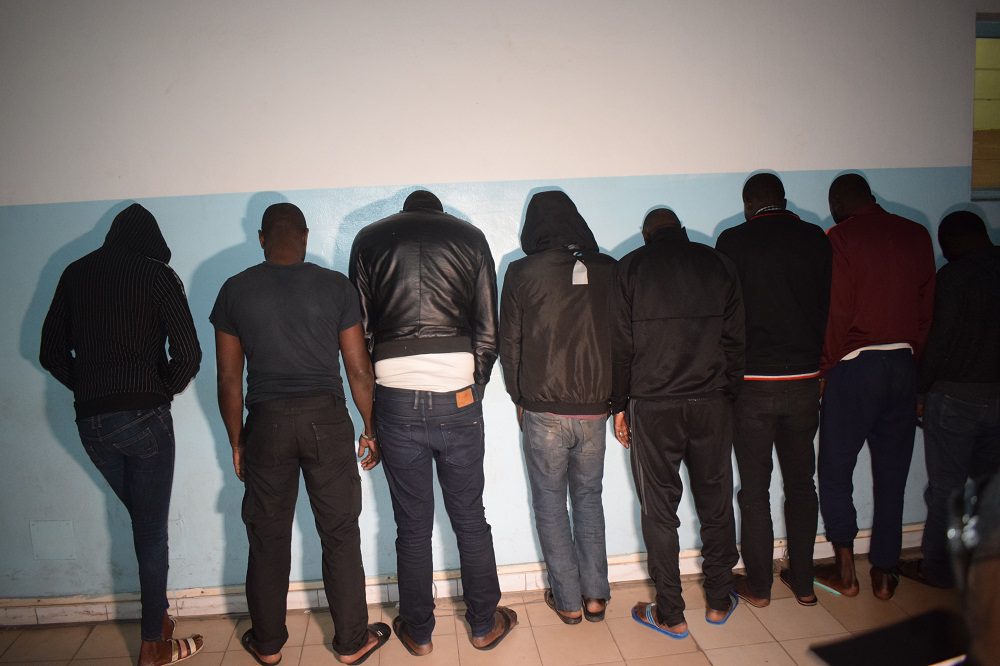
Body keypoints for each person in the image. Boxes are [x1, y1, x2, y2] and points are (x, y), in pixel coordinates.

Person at [211, 203, 389, 665]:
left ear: (262, 238)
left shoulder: (235, 290)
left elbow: (228, 379)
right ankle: (351, 642)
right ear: (305, 236)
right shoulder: (335, 287)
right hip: (325, 421)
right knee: (340, 532)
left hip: (266, 424)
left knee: (267, 537)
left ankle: (268, 644)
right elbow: (359, 370)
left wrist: (237, 440)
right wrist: (370, 428)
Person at [349, 190, 517, 655]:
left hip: (394, 399)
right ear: (439, 212)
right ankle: (483, 625)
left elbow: (360, 333)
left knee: (411, 525)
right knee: (471, 518)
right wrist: (471, 389)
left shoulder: (368, 240)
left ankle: (419, 633)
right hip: (457, 397)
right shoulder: (471, 238)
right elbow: (488, 332)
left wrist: (375, 408)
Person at [40, 203, 204, 666]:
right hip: (144, 417)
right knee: (150, 532)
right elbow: (189, 354)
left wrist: (90, 389)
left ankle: (160, 617)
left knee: (143, 523)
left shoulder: (75, 273)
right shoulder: (157, 275)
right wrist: (159, 391)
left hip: (91, 422)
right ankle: (153, 645)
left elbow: (50, 352)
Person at [613, 208, 745, 639]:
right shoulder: (718, 264)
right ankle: (720, 601)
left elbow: (621, 346)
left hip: (653, 406)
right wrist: (728, 394)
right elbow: (736, 340)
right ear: (682, 231)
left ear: (646, 235)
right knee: (716, 503)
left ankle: (671, 613)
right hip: (711, 402)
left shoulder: (630, 268)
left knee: (659, 511)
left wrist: (618, 405)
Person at [815, 173, 936, 601]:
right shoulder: (916, 234)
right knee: (892, 474)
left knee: (835, 470)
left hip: (854, 366)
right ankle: (884, 575)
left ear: (838, 204)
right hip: (903, 363)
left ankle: (846, 571)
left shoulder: (840, 238)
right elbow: (926, 310)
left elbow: (837, 310)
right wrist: (913, 363)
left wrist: (825, 368)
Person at [499, 190, 616, 624]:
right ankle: (596, 597)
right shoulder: (609, 269)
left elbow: (509, 343)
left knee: (549, 504)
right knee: (589, 499)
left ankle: (567, 602)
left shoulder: (521, 272)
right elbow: (622, 339)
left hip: (543, 408)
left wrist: (518, 396)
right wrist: (617, 400)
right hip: (595, 408)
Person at [716, 173, 831, 607]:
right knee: (802, 485)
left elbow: (724, 316)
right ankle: (804, 582)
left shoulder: (732, 242)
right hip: (804, 381)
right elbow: (827, 304)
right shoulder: (815, 238)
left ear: (748, 205)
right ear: (784, 200)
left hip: (752, 385)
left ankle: (760, 587)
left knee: (754, 491)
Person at [900, 211, 1000, 589]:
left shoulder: (954, 277)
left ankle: (938, 569)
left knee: (947, 488)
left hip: (955, 397)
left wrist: (920, 391)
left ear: (953, 241)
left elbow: (938, 340)